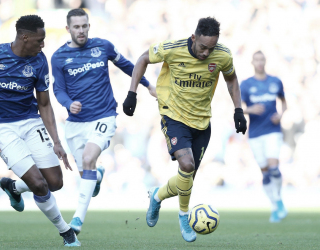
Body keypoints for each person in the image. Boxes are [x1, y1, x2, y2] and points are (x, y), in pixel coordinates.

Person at [123, 17, 247, 242]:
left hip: (202, 122)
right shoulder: (172, 48)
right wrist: (132, 93)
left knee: (186, 178)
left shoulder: (223, 55)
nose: (206, 53)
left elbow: (231, 80)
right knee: (187, 165)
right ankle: (183, 216)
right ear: (193, 38)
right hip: (174, 116)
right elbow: (142, 58)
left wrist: (238, 110)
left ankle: (157, 197)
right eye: (202, 47)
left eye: (211, 48)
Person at [0, 15, 80, 247]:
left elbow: (45, 104)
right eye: (39, 40)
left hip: (30, 122)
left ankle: (13, 186)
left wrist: (57, 142)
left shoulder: (39, 61)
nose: (43, 45)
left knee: (55, 183)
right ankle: (66, 232)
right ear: (24, 37)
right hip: (0, 127)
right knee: (39, 185)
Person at [52, 8, 156, 236]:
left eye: (84, 26)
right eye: (76, 27)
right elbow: (58, 88)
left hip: (104, 116)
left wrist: (147, 85)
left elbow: (128, 65)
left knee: (89, 158)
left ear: (89, 26)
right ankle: (97, 176)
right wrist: (68, 103)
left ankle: (77, 220)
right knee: (86, 172)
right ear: (68, 29)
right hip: (75, 123)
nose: (81, 30)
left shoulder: (103, 47)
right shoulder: (59, 57)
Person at [240, 51, 287, 223]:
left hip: (273, 130)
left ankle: (279, 200)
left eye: (262, 59)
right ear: (252, 62)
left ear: (265, 61)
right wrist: (250, 110)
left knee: (274, 168)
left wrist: (280, 115)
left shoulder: (275, 81)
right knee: (265, 173)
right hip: (255, 133)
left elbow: (284, 102)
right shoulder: (246, 85)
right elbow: (238, 108)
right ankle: (275, 206)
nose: (259, 63)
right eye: (256, 60)